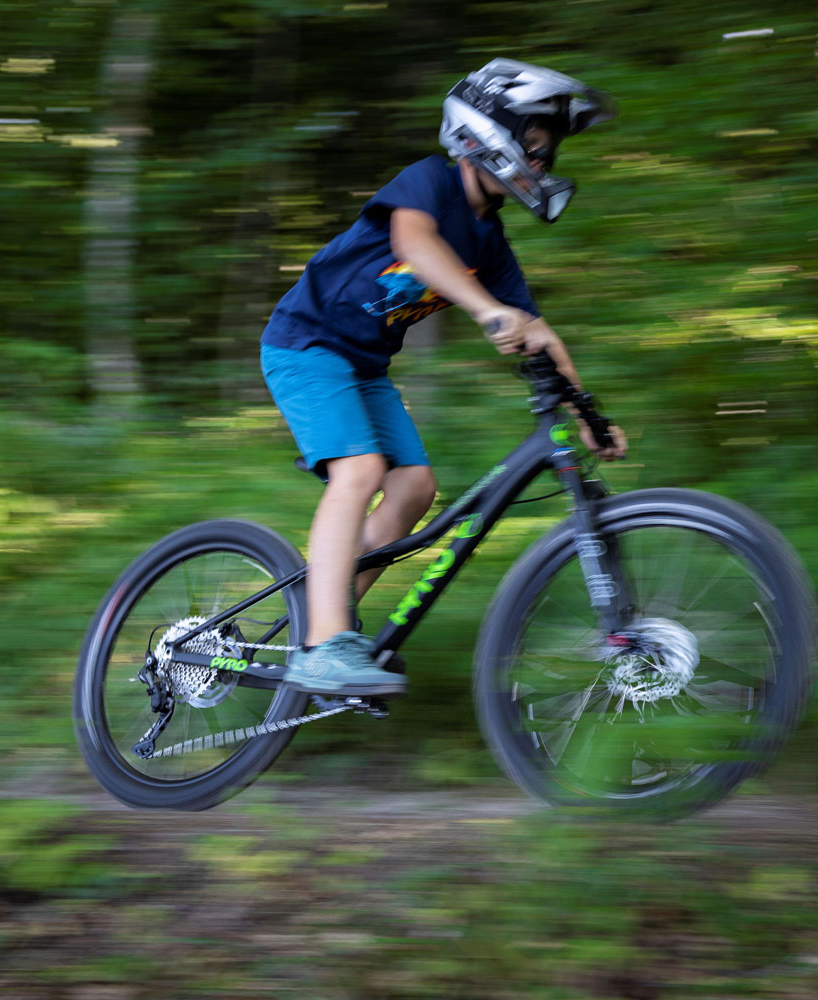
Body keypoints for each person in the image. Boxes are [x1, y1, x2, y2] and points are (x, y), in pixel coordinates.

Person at [259, 58, 628, 698]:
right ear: (488, 134)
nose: (544, 161)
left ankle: (328, 618)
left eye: (548, 151)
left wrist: (589, 413)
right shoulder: (429, 183)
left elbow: (539, 331)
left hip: (364, 366)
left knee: (415, 489)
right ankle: (322, 644)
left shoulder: (490, 241)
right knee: (362, 472)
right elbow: (418, 245)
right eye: (537, 145)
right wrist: (488, 310)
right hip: (306, 345)